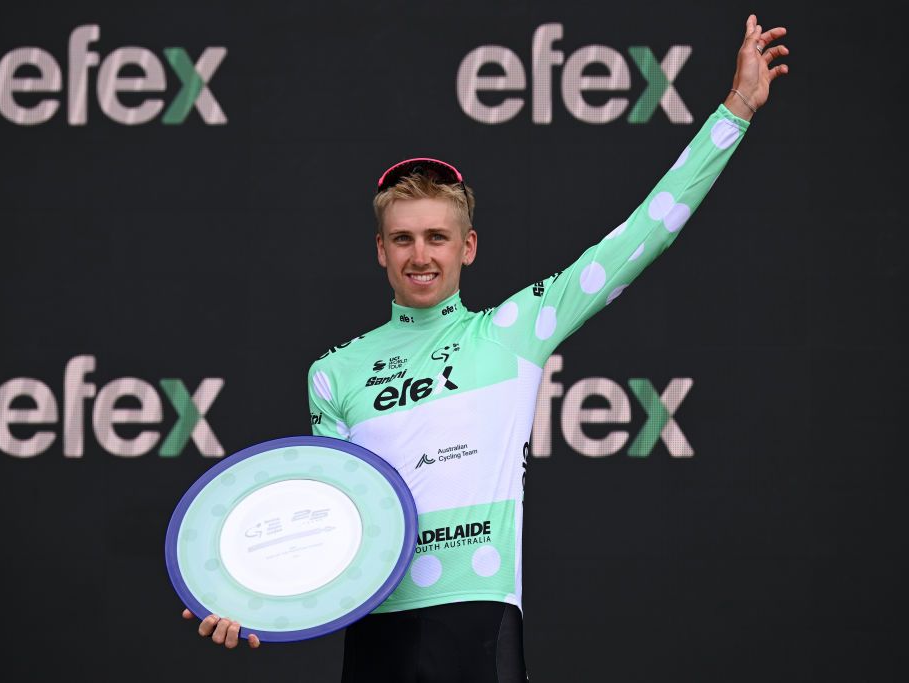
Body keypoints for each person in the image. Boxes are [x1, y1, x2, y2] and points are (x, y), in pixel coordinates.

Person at [183, 12, 789, 682]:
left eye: (438, 237)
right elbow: (330, 527)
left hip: (480, 622)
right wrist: (244, 600)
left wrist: (733, 112)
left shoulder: (515, 330)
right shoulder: (333, 374)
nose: (421, 255)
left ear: (467, 246)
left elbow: (644, 234)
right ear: (379, 251)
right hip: (375, 635)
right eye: (404, 238)